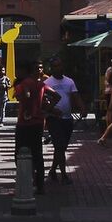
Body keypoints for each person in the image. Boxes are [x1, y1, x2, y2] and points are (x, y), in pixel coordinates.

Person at [14, 62, 58, 194]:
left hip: (24, 123)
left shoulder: (24, 83)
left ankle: (25, 182)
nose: (16, 72)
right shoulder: (40, 84)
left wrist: (26, 107)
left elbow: (26, 95)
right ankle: (40, 185)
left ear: (24, 70)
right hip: (38, 123)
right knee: (38, 154)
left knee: (20, 154)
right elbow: (56, 96)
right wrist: (45, 109)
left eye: (18, 69)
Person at [44, 56, 85, 184]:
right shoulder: (47, 83)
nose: (59, 68)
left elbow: (76, 96)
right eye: (55, 66)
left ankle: (52, 171)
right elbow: (44, 101)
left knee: (61, 148)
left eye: (60, 65)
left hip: (67, 119)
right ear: (51, 68)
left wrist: (82, 108)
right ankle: (63, 175)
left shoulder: (69, 82)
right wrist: (51, 111)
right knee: (59, 146)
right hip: (54, 119)